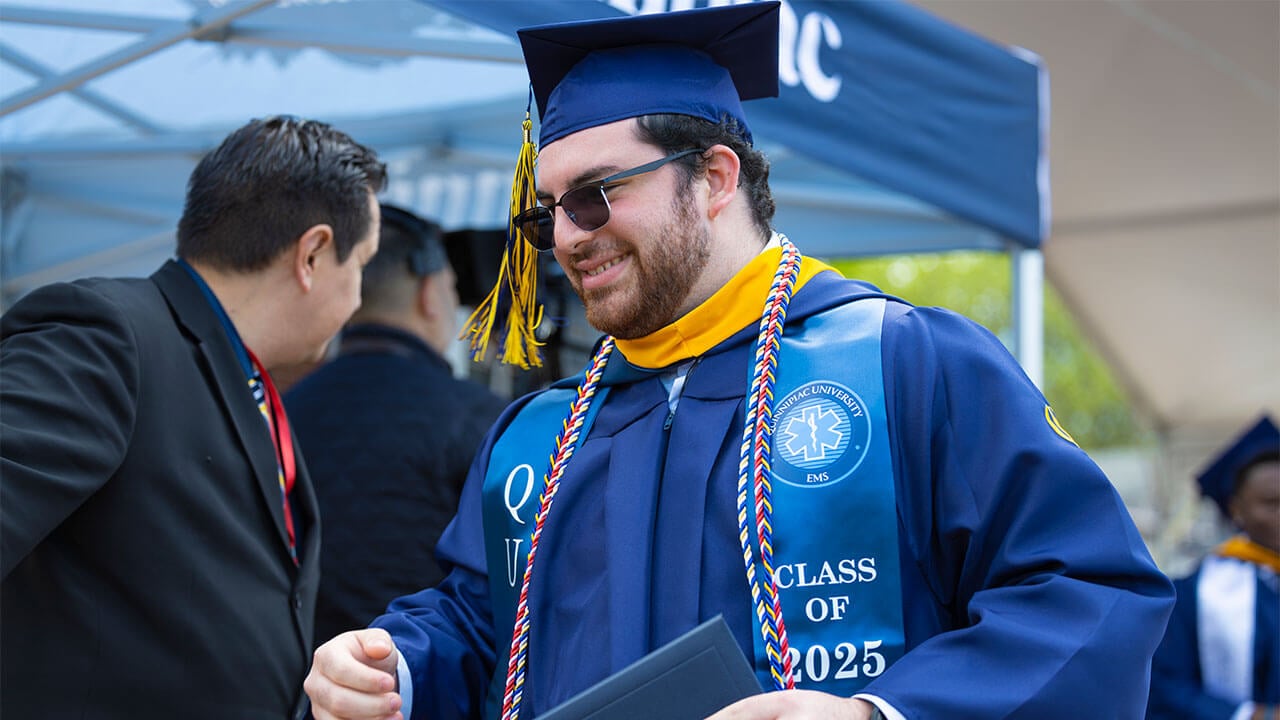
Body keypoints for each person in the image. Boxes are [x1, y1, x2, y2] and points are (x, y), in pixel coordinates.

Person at [304, 5, 1174, 720]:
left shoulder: (906, 361)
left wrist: (879, 715)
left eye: (597, 195)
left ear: (716, 177)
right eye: (550, 212)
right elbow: (481, 623)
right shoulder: (538, 435)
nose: (567, 237)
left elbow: (1088, 595)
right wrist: (391, 666)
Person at [0, 115, 386, 719]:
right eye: (360, 263)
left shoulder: (242, 375)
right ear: (312, 254)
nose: (358, 296)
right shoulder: (108, 335)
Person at [285, 203, 509, 650]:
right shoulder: (476, 416)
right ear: (429, 292)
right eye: (451, 288)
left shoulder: (281, 415)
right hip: (432, 684)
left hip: (312, 693)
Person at [1148, 415, 1280, 719]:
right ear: (1236, 509)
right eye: (1271, 503)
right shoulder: (1194, 594)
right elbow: (1164, 688)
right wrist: (1251, 716)